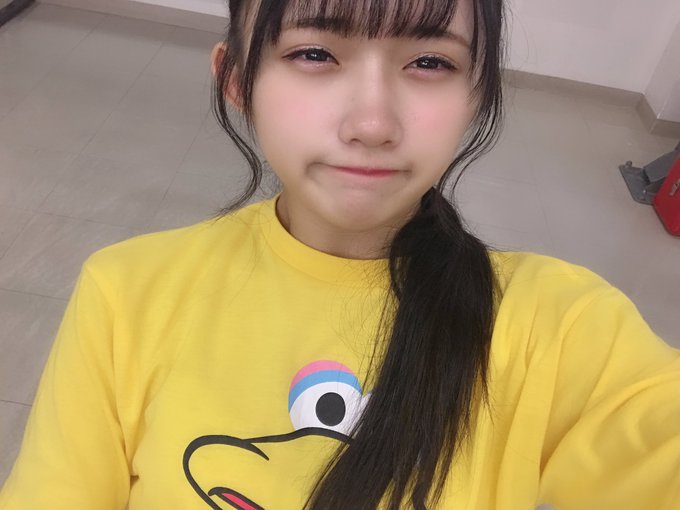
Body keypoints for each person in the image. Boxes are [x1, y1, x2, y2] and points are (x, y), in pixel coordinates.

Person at [1, 0, 679, 508]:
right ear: (236, 80)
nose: (372, 124)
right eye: (314, 54)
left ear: (477, 95)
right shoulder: (126, 292)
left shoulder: (561, 326)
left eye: (430, 62)